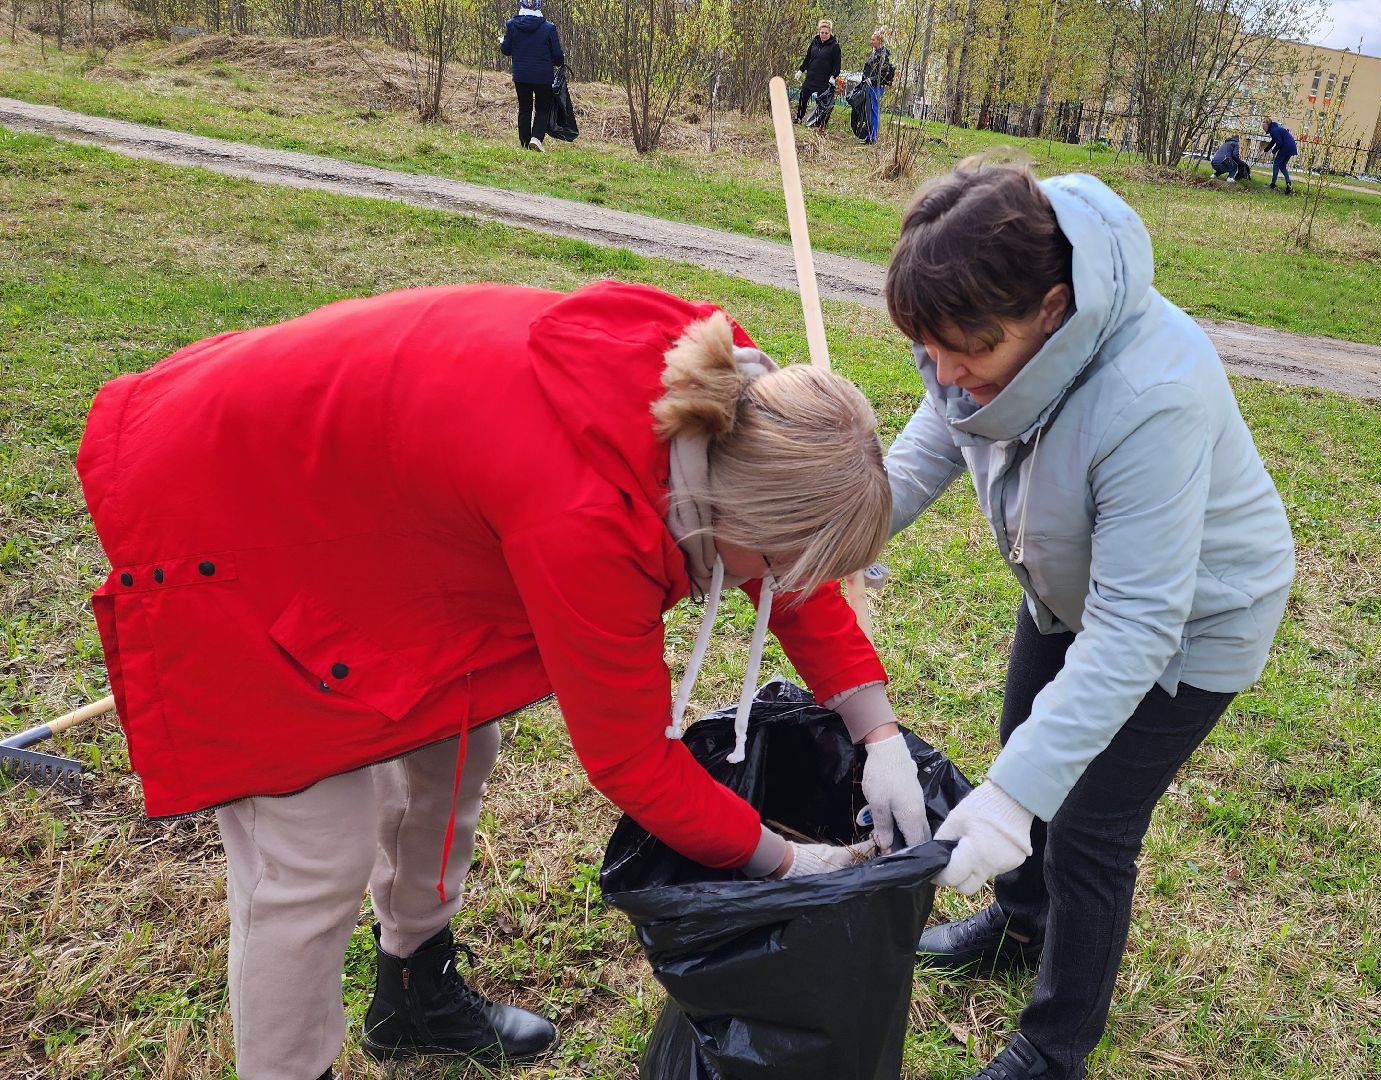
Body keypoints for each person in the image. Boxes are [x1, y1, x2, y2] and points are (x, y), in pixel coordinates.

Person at [75, 280, 933, 1080]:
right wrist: (788, 862)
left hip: (378, 511)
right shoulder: (587, 515)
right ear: (725, 513)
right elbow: (633, 762)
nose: (779, 586)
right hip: (231, 499)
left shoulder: (741, 403)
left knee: (457, 743)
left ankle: (413, 989)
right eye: (776, 563)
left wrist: (877, 731)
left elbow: (789, 575)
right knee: (310, 854)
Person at [881, 161, 1295, 1080]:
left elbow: (1139, 628)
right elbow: (927, 448)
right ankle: (1020, 922)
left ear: (1054, 311)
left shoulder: (1154, 393)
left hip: (1194, 621)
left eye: (968, 354)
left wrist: (1019, 797)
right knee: (1022, 739)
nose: (947, 376)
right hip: (1070, 586)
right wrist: (839, 529)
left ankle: (1054, 1044)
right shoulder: (981, 321)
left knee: (1087, 825)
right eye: (932, 349)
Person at [499, 0, 564, 151]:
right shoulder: (549, 28)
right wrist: (560, 57)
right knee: (542, 108)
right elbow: (557, 57)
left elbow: (506, 50)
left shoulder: (512, 25)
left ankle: (524, 142)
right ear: (539, 6)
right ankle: (536, 139)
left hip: (521, 75)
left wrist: (502, 42)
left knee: (524, 109)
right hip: (543, 76)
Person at [795, 18, 842, 124]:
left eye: (826, 33)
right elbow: (808, 58)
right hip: (811, 77)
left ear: (830, 33)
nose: (824, 35)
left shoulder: (835, 46)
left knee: (823, 103)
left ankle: (819, 123)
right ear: (819, 32)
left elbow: (837, 64)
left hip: (824, 80)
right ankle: (799, 118)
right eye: (822, 32)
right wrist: (801, 70)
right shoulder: (814, 43)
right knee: (803, 96)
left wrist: (833, 76)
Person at [859, 29, 895, 145]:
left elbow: (883, 73)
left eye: (873, 39)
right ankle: (869, 136)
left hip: (876, 87)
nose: (871, 41)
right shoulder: (876, 52)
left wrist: (872, 79)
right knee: (869, 110)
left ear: (879, 41)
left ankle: (873, 137)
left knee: (874, 111)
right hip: (869, 85)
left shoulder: (883, 55)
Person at [1265, 117, 1298, 193]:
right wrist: (1265, 150)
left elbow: (1279, 143)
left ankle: (1273, 184)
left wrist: (1273, 152)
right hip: (1291, 147)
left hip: (1285, 148)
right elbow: (1273, 142)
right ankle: (1288, 185)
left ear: (1267, 125)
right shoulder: (1276, 129)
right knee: (1282, 166)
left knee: (1276, 164)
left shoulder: (1274, 131)